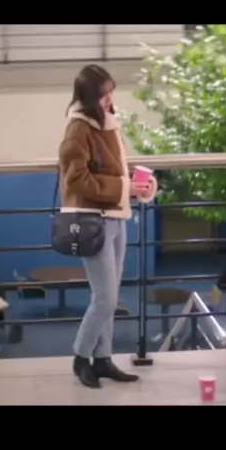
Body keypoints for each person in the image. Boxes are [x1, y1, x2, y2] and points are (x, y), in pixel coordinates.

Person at [58, 64, 158, 389]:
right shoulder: (79, 127)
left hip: (114, 217)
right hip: (93, 219)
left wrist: (136, 186)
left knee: (108, 296)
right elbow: (77, 179)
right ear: (89, 96)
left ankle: (102, 359)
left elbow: (114, 170)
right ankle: (81, 357)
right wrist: (125, 187)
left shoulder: (107, 122)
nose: (110, 98)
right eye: (104, 93)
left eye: (111, 91)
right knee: (106, 298)